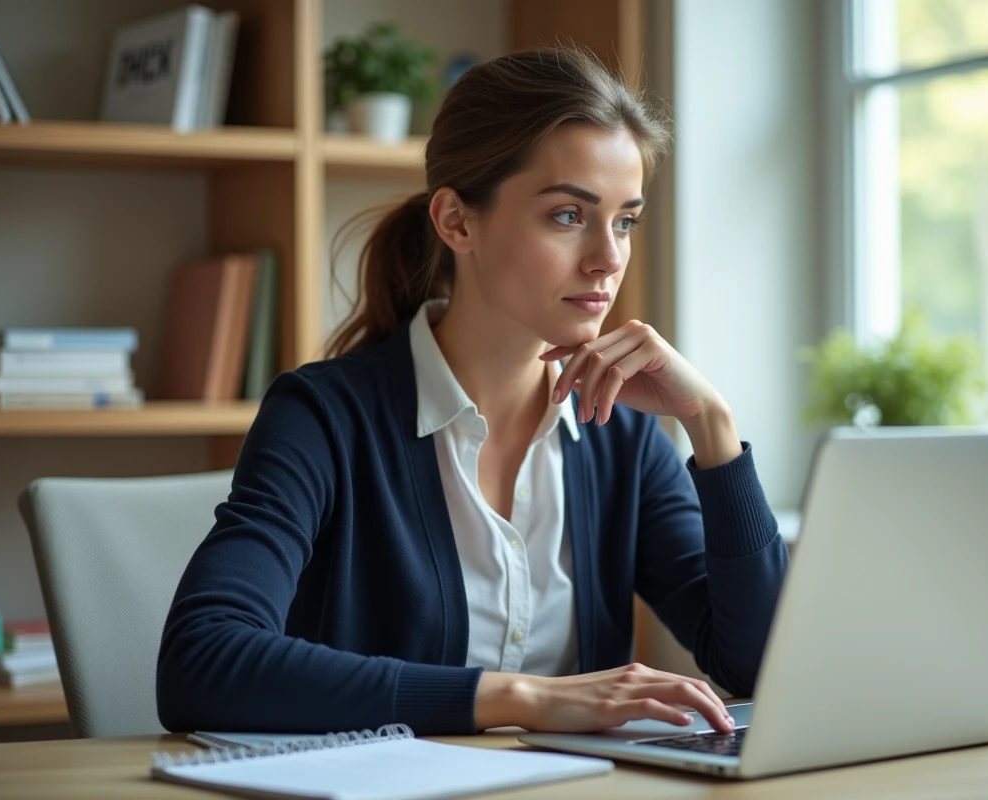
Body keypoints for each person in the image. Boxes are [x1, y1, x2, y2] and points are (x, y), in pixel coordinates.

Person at [157, 47, 787, 738]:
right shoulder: (324, 417)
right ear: (457, 221)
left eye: (626, 220)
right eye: (569, 216)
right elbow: (201, 659)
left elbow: (758, 668)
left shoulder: (621, 436)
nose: (609, 256)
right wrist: (525, 698)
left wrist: (712, 426)